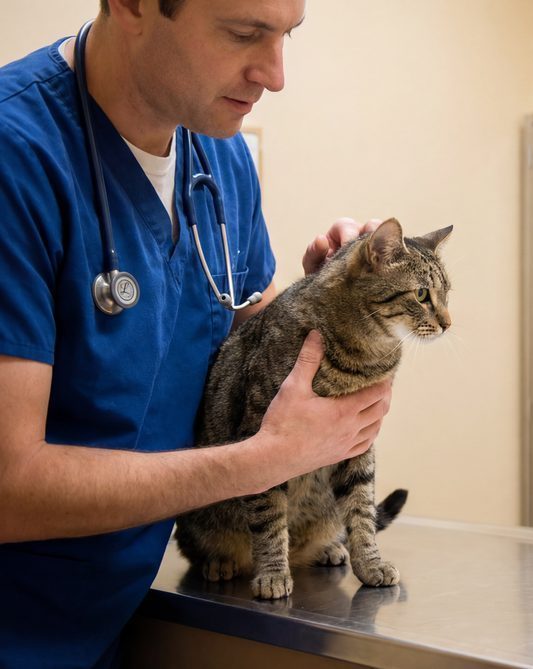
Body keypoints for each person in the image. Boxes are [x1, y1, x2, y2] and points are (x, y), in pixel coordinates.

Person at [0, 1, 392, 666]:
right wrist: (259, 461)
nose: (275, 74)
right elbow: (8, 486)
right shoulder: (18, 157)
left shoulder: (219, 159)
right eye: (245, 34)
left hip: (109, 625)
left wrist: (330, 300)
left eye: (285, 36)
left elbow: (259, 341)